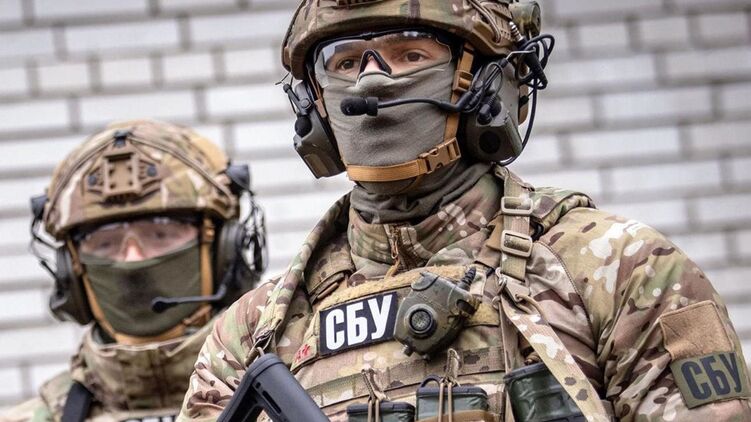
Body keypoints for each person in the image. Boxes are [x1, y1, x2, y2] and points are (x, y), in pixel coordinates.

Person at [179, 1, 751, 421]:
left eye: (410, 54)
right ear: (315, 105)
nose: (372, 82)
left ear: (485, 83)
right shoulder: (253, 333)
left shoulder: (621, 269)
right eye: (346, 62)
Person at [2, 119, 266, 422]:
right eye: (105, 242)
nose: (132, 258)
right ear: (71, 270)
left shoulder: (298, 393)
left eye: (160, 233)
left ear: (224, 251)